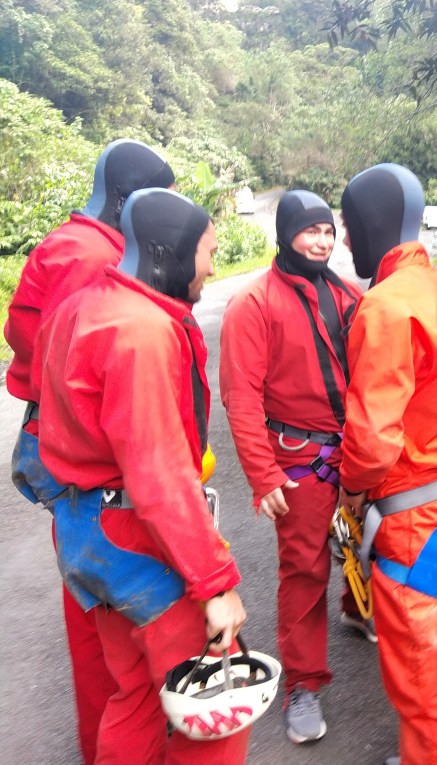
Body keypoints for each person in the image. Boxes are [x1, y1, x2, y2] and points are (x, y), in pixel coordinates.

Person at [35, 188, 249, 764]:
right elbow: (159, 476)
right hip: (134, 535)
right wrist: (215, 586)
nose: (212, 267)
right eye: (208, 252)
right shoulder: (143, 331)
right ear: (170, 252)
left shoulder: (81, 307)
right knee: (214, 699)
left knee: (135, 691)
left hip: (87, 529)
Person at [3, 138, 175, 765]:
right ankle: (115, 745)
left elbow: (23, 335)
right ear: (129, 199)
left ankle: (111, 739)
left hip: (66, 458)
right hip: (94, 470)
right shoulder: (95, 257)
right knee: (109, 626)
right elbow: (85, 366)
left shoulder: (68, 242)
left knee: (94, 610)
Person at [337, 163, 437, 765]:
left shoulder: (383, 306)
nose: (345, 237)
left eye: (348, 223)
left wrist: (351, 491)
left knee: (426, 688)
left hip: (409, 517)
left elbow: (373, 439)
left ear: (368, 223)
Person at [219, 189, 365, 745]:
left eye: (328, 231)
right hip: (300, 460)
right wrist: (263, 474)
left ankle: (357, 608)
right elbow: (241, 397)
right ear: (285, 234)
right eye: (310, 231)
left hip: (355, 449)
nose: (322, 242)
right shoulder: (254, 304)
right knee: (304, 570)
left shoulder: (349, 295)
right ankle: (303, 684)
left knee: (368, 543)